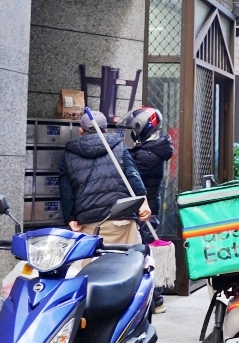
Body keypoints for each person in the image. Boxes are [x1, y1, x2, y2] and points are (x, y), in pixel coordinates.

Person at [58, 113, 150, 244]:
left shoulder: (68, 155)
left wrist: (70, 219)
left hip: (89, 224)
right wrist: (144, 202)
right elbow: (132, 175)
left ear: (80, 130)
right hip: (121, 221)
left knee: (92, 263)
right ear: (105, 130)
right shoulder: (119, 147)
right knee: (128, 262)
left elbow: (66, 191)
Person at [122, 106, 173, 311]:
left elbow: (128, 171)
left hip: (145, 211)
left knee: (144, 252)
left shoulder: (146, 156)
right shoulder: (154, 148)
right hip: (149, 208)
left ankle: (156, 300)